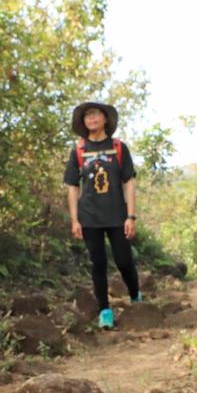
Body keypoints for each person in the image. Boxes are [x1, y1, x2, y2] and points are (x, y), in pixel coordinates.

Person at [63, 101, 141, 329]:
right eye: (88, 116)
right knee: (97, 263)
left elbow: (128, 182)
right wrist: (75, 219)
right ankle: (105, 310)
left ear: (105, 119)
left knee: (124, 261)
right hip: (89, 217)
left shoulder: (118, 147)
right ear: (83, 122)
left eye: (96, 115)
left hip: (117, 215)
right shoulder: (78, 150)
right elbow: (72, 186)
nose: (92, 119)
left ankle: (136, 296)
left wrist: (131, 216)